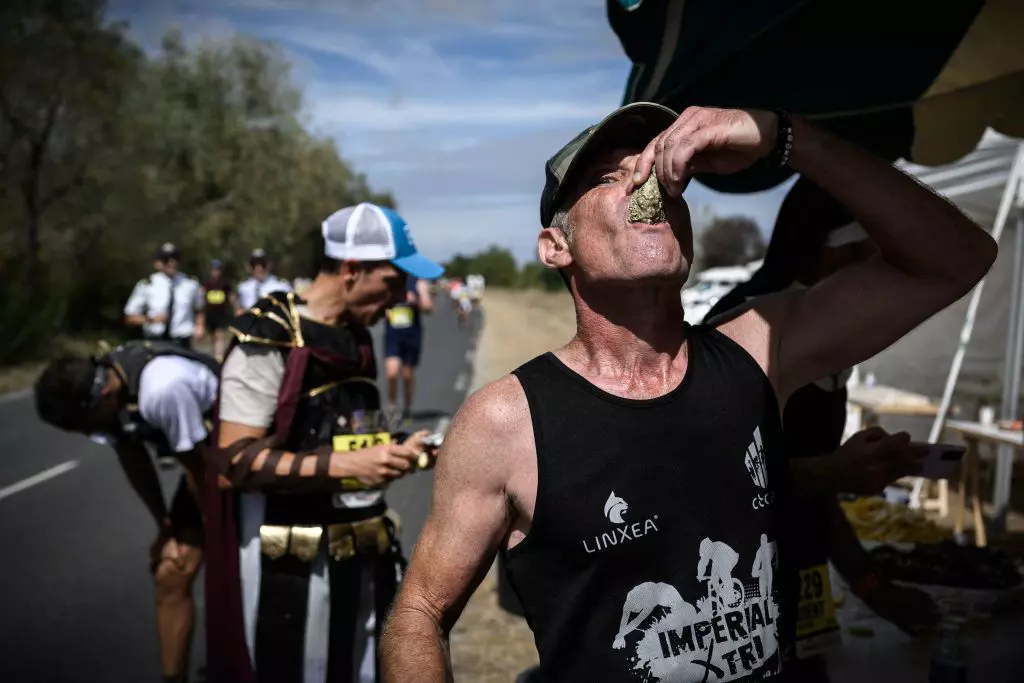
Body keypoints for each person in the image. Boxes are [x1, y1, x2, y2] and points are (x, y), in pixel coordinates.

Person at [380, 103, 996, 682]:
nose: (647, 185)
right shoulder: (505, 422)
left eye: (654, 169)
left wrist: (783, 136)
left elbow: (957, 258)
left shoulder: (756, 347)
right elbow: (420, 613)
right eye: (609, 176)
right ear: (555, 246)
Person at [203, 201, 445, 683]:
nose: (397, 299)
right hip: (288, 557)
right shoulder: (269, 331)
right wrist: (342, 466)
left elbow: (337, 431)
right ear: (352, 269)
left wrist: (397, 447)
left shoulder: (353, 334)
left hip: (358, 545)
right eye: (392, 283)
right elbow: (233, 460)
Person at [705, 199, 940, 678]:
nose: (873, 276)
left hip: (799, 583)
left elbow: (815, 495)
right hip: (728, 595)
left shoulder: (832, 332)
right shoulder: (743, 330)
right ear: (818, 255)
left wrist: (872, 586)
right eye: (859, 257)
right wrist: (831, 470)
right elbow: (707, 482)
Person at [33, 340, 220, 683]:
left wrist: (220, 540)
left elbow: (201, 473)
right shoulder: (110, 389)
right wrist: (164, 526)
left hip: (242, 458)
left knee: (239, 573)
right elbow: (131, 455)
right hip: (206, 466)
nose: (90, 433)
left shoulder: (162, 387)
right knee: (170, 572)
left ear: (102, 394)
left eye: (87, 425)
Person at [125, 243, 205, 349]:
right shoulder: (147, 284)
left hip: (181, 342)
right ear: (158, 263)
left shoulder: (191, 284)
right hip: (155, 342)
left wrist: (200, 326)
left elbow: (200, 308)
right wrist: (151, 319)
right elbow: (129, 317)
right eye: (166, 259)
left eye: (175, 258)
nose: (172, 263)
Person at [384, 276, 434, 425]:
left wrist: (416, 301)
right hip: (393, 335)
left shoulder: (418, 283)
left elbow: (429, 307)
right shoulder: (390, 280)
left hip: (411, 335)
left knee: (407, 374)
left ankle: (407, 408)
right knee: (392, 372)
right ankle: (391, 407)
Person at [202, 259, 236, 361]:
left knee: (219, 334)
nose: (216, 272)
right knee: (212, 335)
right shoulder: (207, 283)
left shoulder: (224, 283)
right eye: (214, 270)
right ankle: (214, 353)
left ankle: (218, 355)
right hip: (210, 312)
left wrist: (234, 307)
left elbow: (231, 296)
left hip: (221, 313)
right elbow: (202, 296)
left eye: (218, 270)